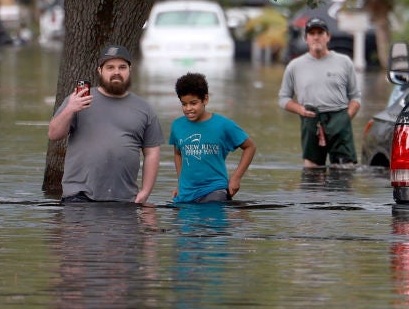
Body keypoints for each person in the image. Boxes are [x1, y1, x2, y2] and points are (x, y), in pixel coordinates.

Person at [49, 44, 164, 203]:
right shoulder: (79, 100)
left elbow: (152, 153)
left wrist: (145, 192)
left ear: (130, 70)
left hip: (124, 199)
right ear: (100, 71)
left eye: (122, 67)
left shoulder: (144, 109)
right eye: (110, 67)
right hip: (79, 197)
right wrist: (70, 109)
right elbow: (54, 134)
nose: (116, 72)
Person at [279, 17, 362, 167]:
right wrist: (300, 110)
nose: (316, 37)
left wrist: (345, 118)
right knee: (312, 170)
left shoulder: (344, 62)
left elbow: (356, 97)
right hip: (311, 119)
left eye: (320, 33)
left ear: (328, 37)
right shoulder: (295, 66)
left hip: (340, 118)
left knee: (345, 169)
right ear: (306, 39)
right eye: (312, 33)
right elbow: (283, 99)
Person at [170, 72, 257, 203]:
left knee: (211, 223)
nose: (188, 108)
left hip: (215, 191)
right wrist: (180, 184)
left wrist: (236, 178)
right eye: (184, 104)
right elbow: (178, 154)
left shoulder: (223, 125)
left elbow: (250, 147)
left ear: (205, 99)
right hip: (187, 192)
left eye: (193, 103)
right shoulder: (177, 126)